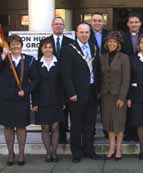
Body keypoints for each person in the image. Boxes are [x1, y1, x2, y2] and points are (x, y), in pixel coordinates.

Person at [61, 22, 101, 163]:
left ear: (90, 33)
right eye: (81, 32)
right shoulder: (69, 49)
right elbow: (66, 74)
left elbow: (97, 71)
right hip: (76, 94)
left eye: (87, 32)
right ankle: (76, 152)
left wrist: (98, 91)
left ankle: (89, 150)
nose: (84, 35)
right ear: (76, 33)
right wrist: (71, 93)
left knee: (90, 124)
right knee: (77, 124)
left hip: (92, 92)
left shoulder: (94, 48)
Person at [0, 34, 38, 166]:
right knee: (8, 127)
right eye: (12, 44)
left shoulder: (30, 60)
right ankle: (10, 153)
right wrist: (3, 55)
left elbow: (36, 80)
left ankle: (21, 153)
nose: (15, 46)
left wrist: (26, 90)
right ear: (8, 46)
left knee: (21, 127)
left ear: (22, 45)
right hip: (6, 100)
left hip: (21, 99)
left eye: (18, 43)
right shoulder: (4, 60)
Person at [38, 16, 74, 144]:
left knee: (64, 112)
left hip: (66, 84)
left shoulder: (71, 42)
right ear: (52, 26)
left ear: (63, 26)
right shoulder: (45, 41)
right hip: (49, 85)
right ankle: (51, 141)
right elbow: (39, 63)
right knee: (50, 118)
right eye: (56, 24)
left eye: (60, 24)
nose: (58, 26)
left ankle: (62, 137)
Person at [32, 39, 64, 162]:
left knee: (55, 127)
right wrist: (34, 103)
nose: (48, 49)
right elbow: (34, 85)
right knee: (45, 128)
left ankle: (54, 153)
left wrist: (63, 102)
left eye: (50, 47)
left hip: (56, 101)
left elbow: (63, 84)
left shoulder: (59, 63)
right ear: (41, 49)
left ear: (53, 49)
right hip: (42, 101)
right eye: (45, 47)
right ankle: (48, 153)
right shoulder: (36, 64)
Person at [100, 31, 130, 160]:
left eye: (114, 42)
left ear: (118, 44)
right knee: (109, 123)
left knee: (119, 123)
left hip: (118, 96)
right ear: (107, 44)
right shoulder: (102, 57)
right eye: (109, 42)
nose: (111, 44)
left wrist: (122, 97)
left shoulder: (124, 57)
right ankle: (111, 147)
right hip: (106, 96)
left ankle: (118, 149)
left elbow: (126, 79)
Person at [121, 12, 143, 141]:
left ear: (140, 24)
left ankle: (138, 133)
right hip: (127, 73)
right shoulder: (123, 38)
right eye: (131, 22)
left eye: (136, 22)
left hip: (140, 74)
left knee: (138, 103)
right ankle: (128, 133)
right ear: (128, 24)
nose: (134, 24)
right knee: (128, 103)